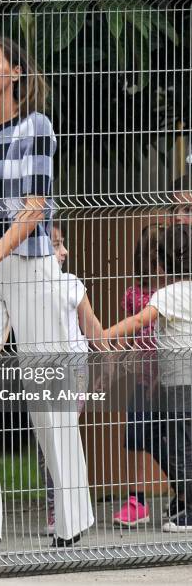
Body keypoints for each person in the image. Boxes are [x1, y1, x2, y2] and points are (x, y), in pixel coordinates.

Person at [0, 36, 94, 552]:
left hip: (28, 264)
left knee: (46, 394)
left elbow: (33, 208)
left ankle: (72, 518)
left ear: (14, 72)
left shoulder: (37, 127)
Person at [104, 224, 192, 532]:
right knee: (150, 438)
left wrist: (101, 335)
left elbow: (140, 321)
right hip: (160, 380)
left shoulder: (168, 294)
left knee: (180, 443)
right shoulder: (148, 294)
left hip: (176, 383)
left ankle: (187, 503)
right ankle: (175, 496)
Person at [38, 222, 105, 533]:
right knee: (46, 439)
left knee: (64, 432)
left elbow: (91, 326)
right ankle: (56, 506)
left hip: (74, 369)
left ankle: (71, 507)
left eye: (63, 244)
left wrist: (109, 359)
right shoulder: (24, 289)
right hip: (39, 370)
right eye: (56, 245)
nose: (64, 252)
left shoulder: (72, 285)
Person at [112, 224, 169, 527]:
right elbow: (130, 332)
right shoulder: (135, 295)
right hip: (143, 379)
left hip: (172, 380)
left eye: (159, 257)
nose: (154, 265)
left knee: (173, 439)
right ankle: (137, 500)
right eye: (147, 258)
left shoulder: (175, 295)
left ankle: (183, 493)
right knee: (135, 438)